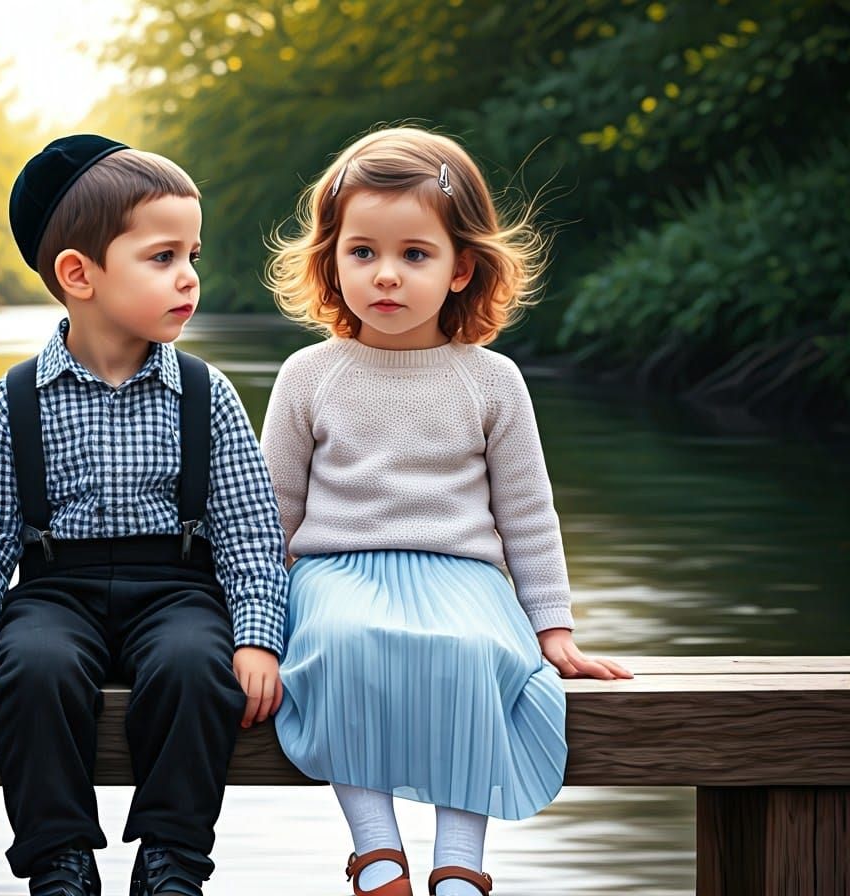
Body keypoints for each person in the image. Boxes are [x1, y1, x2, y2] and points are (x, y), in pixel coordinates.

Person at [260, 125, 632, 896]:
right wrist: (253, 630)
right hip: (336, 573)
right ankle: (378, 853)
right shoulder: (309, 376)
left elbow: (528, 513)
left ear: (461, 268)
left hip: (463, 576)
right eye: (363, 252)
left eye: (414, 255)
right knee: (338, 646)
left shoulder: (490, 381)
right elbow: (271, 516)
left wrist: (552, 628)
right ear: (333, 261)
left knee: (477, 657)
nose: (386, 276)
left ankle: (461, 865)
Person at [0, 134, 288, 896]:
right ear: (77, 274)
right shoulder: (16, 398)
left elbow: (252, 536)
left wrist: (257, 639)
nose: (189, 278)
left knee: (200, 667)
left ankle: (172, 859)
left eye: (193, 255)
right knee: (35, 670)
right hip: (59, 588)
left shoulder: (206, 392)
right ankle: (58, 861)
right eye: (162, 258)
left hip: (178, 588)